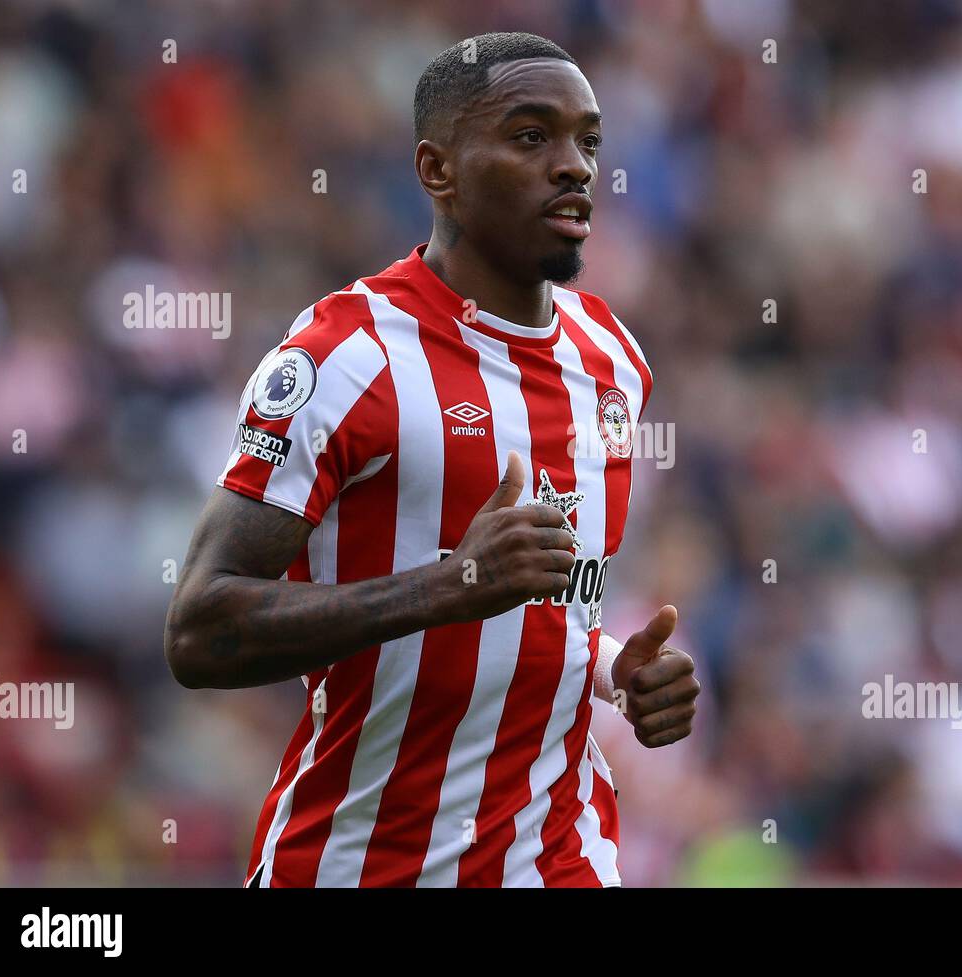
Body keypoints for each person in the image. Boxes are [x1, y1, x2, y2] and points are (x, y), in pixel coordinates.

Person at [163, 31, 699, 888]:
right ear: (437, 169)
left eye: (588, 142)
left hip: (555, 856)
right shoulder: (347, 356)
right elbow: (199, 631)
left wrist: (611, 670)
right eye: (531, 138)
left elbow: (547, 600)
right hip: (363, 858)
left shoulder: (613, 360)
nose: (574, 167)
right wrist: (450, 585)